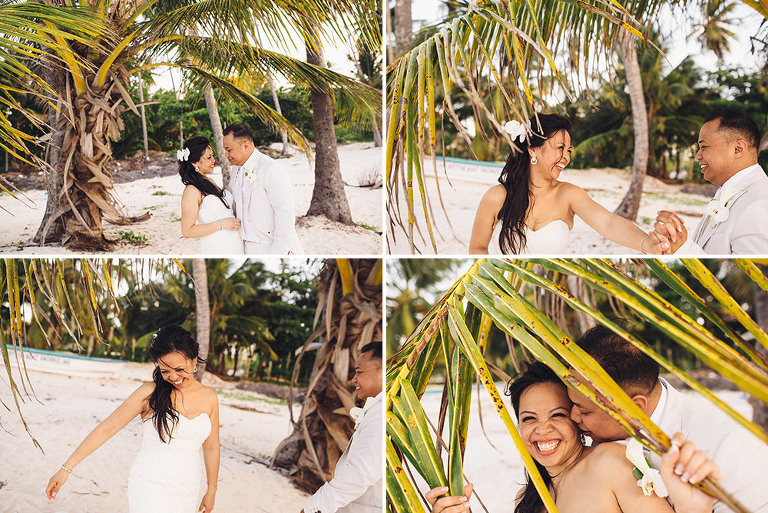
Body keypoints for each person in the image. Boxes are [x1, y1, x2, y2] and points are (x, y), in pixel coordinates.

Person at [427, 361, 720, 513]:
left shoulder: (608, 463)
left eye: (557, 415)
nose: (542, 430)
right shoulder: (528, 498)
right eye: (529, 418)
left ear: (577, 420)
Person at [568, 325, 768, 512]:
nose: (572, 416)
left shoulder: (731, 447)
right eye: (572, 404)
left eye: (584, 411)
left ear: (633, 407)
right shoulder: (581, 441)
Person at [46, 325, 220, 513]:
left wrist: (211, 490)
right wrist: (66, 469)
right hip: (150, 486)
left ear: (194, 360)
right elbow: (106, 429)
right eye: (165, 371)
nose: (173, 377)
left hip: (188, 488)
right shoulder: (149, 393)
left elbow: (211, 446)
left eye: (179, 369)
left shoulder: (209, 397)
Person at [469, 113, 669, 255]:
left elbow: (608, 223)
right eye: (560, 148)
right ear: (532, 150)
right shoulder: (497, 197)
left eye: (569, 151)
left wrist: (646, 243)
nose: (566, 157)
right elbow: (477, 248)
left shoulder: (569, 195)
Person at [654, 106, 768, 254]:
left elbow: (751, 268)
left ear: (738, 149)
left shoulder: (759, 204)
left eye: (704, 147)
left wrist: (683, 248)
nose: (697, 156)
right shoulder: (728, 191)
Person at [302, 342, 383, 513]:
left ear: (382, 372)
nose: (354, 379)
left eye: (359, 372)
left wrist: (314, 508)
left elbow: (359, 474)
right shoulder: (378, 409)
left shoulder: (381, 413)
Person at [222, 123, 304, 255]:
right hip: (244, 247)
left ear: (246, 146)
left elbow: (285, 213)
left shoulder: (271, 169)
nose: (226, 154)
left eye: (229, 149)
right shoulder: (236, 169)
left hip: (270, 246)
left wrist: (278, 251)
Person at [178, 135, 244, 254]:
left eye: (213, 156)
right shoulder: (191, 191)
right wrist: (222, 224)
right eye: (209, 157)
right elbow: (187, 231)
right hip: (217, 247)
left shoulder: (209, 181)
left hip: (234, 244)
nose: (213, 160)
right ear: (194, 163)